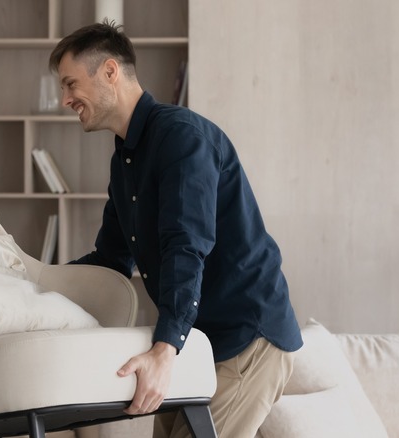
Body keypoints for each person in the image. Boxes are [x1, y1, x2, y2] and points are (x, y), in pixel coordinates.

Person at [49, 22, 303, 437]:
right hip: (196, 341)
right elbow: (110, 260)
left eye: (71, 84)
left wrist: (165, 350)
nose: (65, 99)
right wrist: (39, 282)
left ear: (110, 71)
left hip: (244, 341)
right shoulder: (125, 160)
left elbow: (186, 246)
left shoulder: (181, 138)